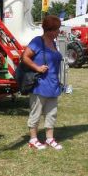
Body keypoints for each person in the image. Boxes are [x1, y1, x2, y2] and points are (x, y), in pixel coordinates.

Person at [22, 14, 64, 150]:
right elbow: (25, 57)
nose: (59, 31)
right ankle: (33, 139)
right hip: (40, 85)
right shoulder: (37, 41)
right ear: (50, 30)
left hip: (53, 85)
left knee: (51, 113)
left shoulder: (53, 43)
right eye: (57, 29)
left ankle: (50, 138)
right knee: (36, 112)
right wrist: (37, 68)